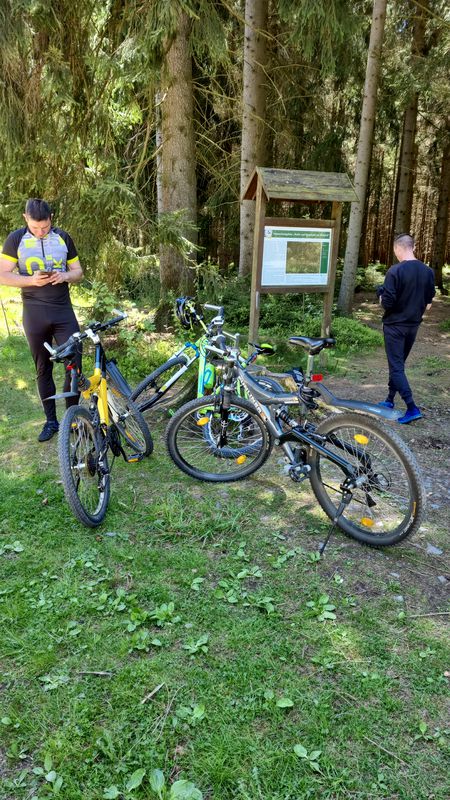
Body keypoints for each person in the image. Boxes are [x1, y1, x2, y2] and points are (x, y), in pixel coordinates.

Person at [0, 198, 84, 441]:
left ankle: (73, 418)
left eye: (45, 228)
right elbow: (3, 275)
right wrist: (30, 280)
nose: (40, 232)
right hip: (34, 312)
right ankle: (51, 421)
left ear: (51, 219)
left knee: (74, 364)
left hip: (63, 311)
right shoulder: (15, 239)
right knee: (42, 368)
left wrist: (65, 275)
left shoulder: (63, 237)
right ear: (25, 218)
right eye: (36, 228)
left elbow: (78, 272)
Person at [376, 233, 435, 424]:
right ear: (413, 247)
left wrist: (380, 297)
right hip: (413, 326)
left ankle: (412, 407)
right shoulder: (428, 272)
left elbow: (387, 303)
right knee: (398, 366)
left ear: (397, 249)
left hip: (394, 326)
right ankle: (389, 400)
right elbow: (428, 304)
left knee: (396, 367)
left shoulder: (395, 271)